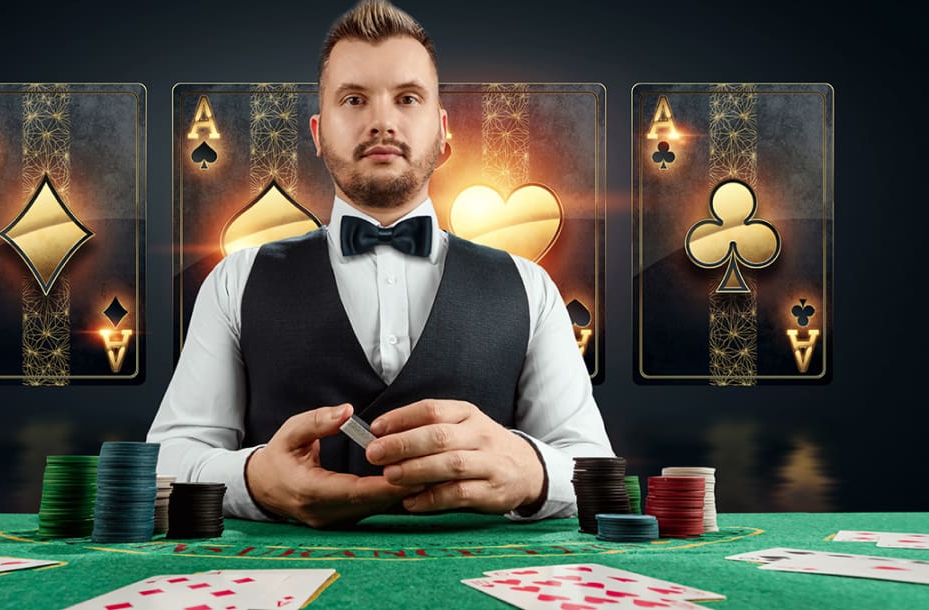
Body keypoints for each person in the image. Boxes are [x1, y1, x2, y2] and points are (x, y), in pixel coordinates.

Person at [147, 0, 614, 529]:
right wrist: (254, 479)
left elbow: (592, 465)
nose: (382, 121)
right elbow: (169, 459)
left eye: (407, 98)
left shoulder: (530, 286)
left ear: (443, 131)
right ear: (319, 133)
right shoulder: (235, 280)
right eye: (354, 99)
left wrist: (531, 472)